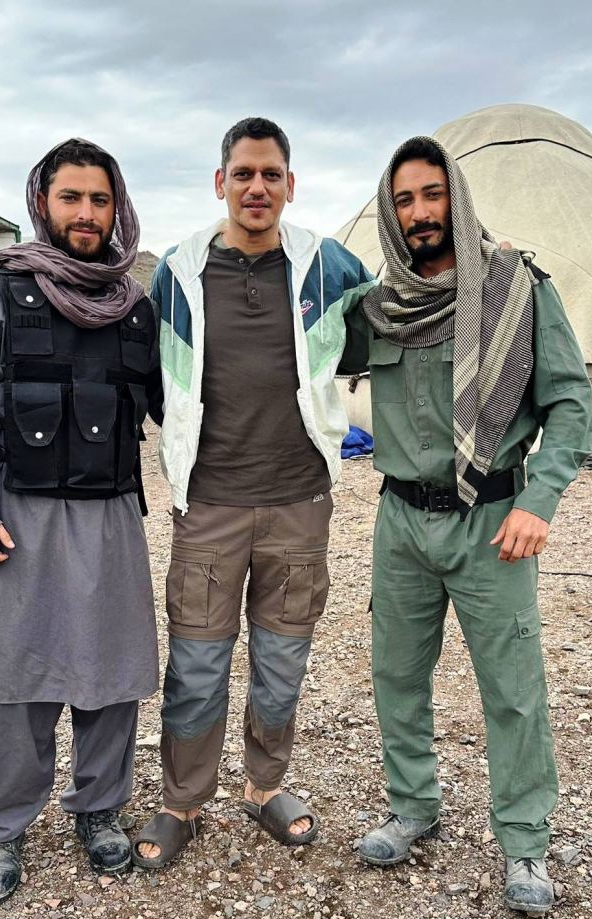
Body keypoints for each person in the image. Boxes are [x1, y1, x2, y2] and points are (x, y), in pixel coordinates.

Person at [349, 136, 592, 914]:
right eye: (404, 200)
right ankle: (413, 808)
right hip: (400, 520)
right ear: (389, 213)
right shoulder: (378, 307)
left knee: (512, 690)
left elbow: (570, 402)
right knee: (396, 676)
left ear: (456, 197)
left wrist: (538, 501)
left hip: (493, 521)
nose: (419, 211)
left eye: (432, 194)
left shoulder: (517, 288)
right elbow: (302, 341)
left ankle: (524, 844)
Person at [0, 138, 163, 904]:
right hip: (19, 521)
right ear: (43, 203)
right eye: (71, 198)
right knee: (15, 680)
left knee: (113, 676)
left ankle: (99, 810)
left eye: (99, 199)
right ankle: (1, 826)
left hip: (113, 518)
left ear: (116, 207)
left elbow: (186, 409)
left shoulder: (137, 308)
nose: (86, 214)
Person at [133, 117, 374, 867]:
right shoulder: (177, 271)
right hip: (210, 502)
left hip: (300, 500)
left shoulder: (328, 265)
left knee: (282, 659)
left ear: (290, 184)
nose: (257, 187)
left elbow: (383, 323)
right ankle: (183, 799)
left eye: (271, 174)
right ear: (221, 182)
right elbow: (156, 378)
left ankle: (265, 786)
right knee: (198, 663)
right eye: (243, 173)